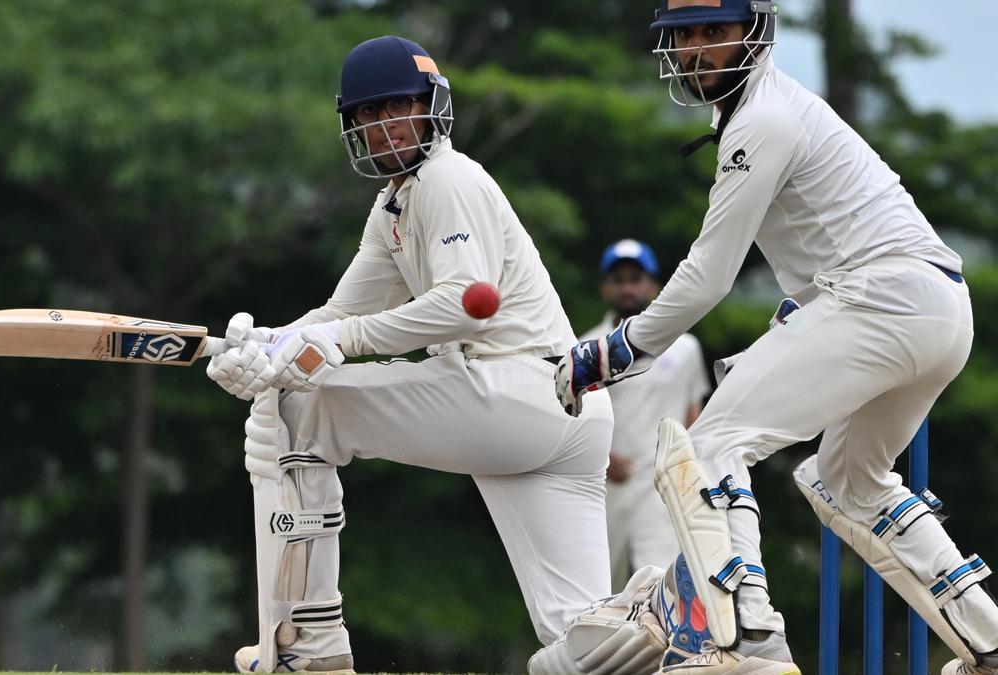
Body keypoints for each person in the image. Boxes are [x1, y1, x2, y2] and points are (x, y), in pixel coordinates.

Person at [554, 2, 998, 674]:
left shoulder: (760, 120)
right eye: (686, 36)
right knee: (846, 482)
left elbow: (709, 274)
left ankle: (746, 637)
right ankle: (987, 639)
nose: (698, 50)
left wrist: (617, 349)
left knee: (708, 446)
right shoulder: (763, 113)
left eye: (715, 33)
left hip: (882, 299)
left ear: (754, 34)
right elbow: (823, 247)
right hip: (934, 309)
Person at [205, 35, 614, 674]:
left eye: (397, 107)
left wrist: (322, 351)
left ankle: (311, 644)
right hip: (571, 414)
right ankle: (688, 640)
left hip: (514, 388)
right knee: (583, 643)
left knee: (303, 411)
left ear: (431, 106)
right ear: (353, 127)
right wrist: (263, 344)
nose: (383, 126)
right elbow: (340, 314)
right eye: (369, 115)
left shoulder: (446, 178)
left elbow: (458, 304)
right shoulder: (395, 203)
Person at [581, 239, 709, 590]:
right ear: (605, 287)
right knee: (600, 589)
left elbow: (692, 414)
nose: (627, 288)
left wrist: (692, 473)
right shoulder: (589, 350)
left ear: (653, 286)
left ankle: (666, 646)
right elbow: (576, 419)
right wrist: (605, 459)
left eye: (635, 279)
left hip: (664, 487)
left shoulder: (684, 347)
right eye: (618, 279)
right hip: (608, 485)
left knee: (660, 584)